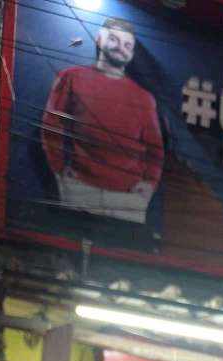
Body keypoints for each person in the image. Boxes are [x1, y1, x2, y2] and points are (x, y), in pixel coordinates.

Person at [41, 17, 164, 224]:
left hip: (129, 195)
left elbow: (155, 150)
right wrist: (59, 169)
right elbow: (51, 126)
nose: (120, 48)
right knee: (68, 238)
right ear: (99, 39)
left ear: (132, 53)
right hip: (79, 186)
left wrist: (150, 184)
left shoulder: (145, 98)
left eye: (127, 45)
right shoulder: (71, 77)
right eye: (114, 39)